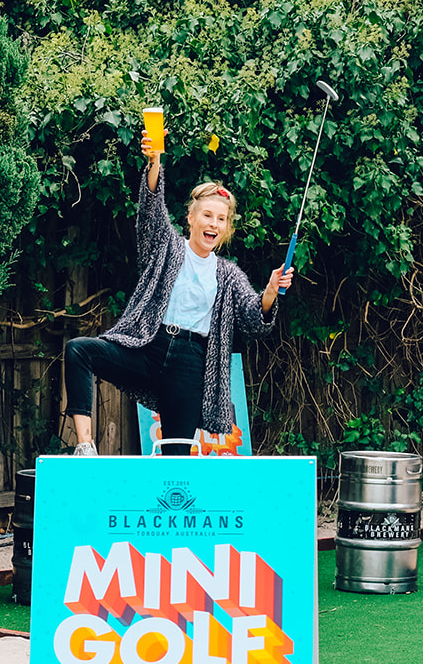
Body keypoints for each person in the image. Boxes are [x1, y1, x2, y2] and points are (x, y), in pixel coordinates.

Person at [63, 131, 293, 455]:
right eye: (207, 215)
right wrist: (155, 160)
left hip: (190, 365)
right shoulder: (167, 247)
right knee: (78, 350)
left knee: (177, 460)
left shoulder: (228, 274)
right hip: (148, 347)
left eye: (221, 219)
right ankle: (85, 446)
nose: (213, 224)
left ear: (226, 229)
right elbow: (151, 209)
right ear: (191, 218)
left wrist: (269, 291)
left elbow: (255, 320)